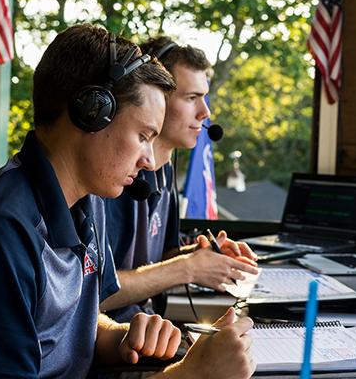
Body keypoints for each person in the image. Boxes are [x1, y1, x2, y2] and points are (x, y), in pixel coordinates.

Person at [0, 24, 255, 379]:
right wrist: (192, 374)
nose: (150, 161)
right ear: (91, 113)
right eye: (143, 136)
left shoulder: (86, 206)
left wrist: (122, 337)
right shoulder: (2, 230)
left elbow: (78, 325)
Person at [102, 37, 259, 323]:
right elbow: (95, 291)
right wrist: (187, 268)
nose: (205, 113)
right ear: (156, 96)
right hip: (113, 340)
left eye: (204, 97)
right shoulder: (111, 177)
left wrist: (204, 255)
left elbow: (154, 261)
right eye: (191, 98)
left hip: (150, 328)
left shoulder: (165, 173)